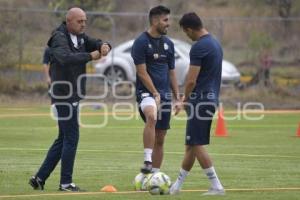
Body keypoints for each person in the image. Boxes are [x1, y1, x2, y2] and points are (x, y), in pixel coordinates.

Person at [29, 7, 111, 192]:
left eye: (85, 21)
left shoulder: (81, 36)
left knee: (63, 137)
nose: (83, 25)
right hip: (63, 95)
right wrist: (90, 56)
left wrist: (105, 46)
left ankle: (39, 177)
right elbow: (65, 58)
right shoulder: (59, 37)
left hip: (72, 94)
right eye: (79, 21)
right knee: (71, 137)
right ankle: (66, 183)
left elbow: (95, 42)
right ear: (69, 21)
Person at [170, 12, 225, 195]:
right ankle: (176, 187)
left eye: (187, 33)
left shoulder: (199, 47)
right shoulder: (215, 43)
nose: (188, 37)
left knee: (196, 143)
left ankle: (216, 186)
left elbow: (191, 80)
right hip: (210, 99)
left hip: (200, 100)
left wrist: (183, 99)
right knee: (191, 145)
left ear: (189, 29)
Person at [131, 5, 180, 174]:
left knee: (160, 139)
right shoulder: (141, 42)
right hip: (146, 93)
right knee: (151, 115)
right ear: (155, 20)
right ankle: (147, 161)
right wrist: (155, 93)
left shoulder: (169, 44)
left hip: (164, 95)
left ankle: (154, 176)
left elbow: (172, 73)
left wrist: (178, 98)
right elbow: (141, 72)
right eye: (166, 20)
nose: (169, 24)